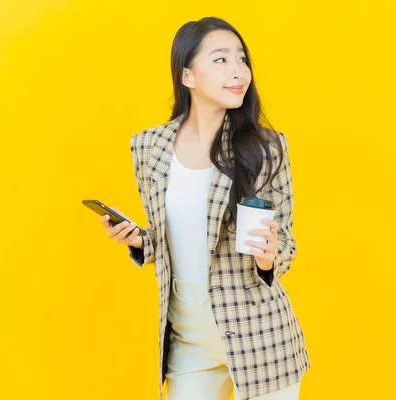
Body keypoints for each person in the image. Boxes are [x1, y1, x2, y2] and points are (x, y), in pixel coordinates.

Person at [100, 16, 310, 400]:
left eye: (241, 59)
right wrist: (138, 240)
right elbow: (171, 239)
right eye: (221, 60)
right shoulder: (149, 147)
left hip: (259, 334)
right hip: (187, 339)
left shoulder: (266, 148)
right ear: (187, 76)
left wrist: (269, 257)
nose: (238, 72)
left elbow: (286, 245)